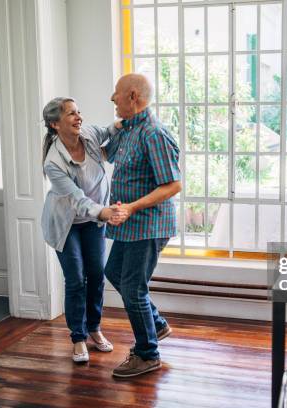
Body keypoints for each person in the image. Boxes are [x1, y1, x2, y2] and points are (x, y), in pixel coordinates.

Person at [103, 74, 182, 378]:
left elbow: (173, 185)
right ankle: (157, 324)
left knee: (133, 287)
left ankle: (148, 354)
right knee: (114, 273)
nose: (113, 98)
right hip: (128, 225)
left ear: (133, 96)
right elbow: (104, 152)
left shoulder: (154, 134)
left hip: (148, 224)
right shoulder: (130, 129)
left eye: (117, 94)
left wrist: (133, 207)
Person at [41, 97, 118, 362]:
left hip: (93, 222)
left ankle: (94, 328)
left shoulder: (88, 134)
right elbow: (77, 198)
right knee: (76, 279)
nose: (78, 117)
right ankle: (78, 337)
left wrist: (122, 124)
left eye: (78, 112)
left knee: (96, 275)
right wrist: (104, 211)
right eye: (71, 114)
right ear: (55, 124)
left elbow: (109, 132)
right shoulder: (53, 162)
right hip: (67, 224)